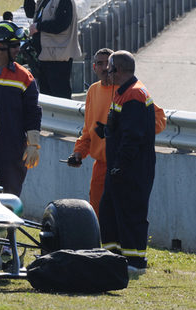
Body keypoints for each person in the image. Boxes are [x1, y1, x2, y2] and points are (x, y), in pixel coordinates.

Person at [67, 48, 166, 217]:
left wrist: (124, 134)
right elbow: (88, 130)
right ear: (94, 68)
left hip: (124, 165)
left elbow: (159, 120)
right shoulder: (93, 90)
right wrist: (78, 153)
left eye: (109, 64)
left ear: (116, 68)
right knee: (98, 215)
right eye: (100, 63)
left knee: (124, 216)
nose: (105, 68)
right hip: (101, 166)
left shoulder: (130, 91)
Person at [98, 50, 156, 276]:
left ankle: (135, 263)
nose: (106, 73)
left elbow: (133, 136)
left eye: (109, 68)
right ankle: (113, 258)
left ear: (118, 70)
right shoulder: (122, 92)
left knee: (131, 213)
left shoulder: (134, 95)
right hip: (119, 168)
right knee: (110, 211)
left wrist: (121, 164)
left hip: (132, 169)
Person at [0, 21, 42, 196]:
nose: (18, 49)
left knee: (10, 195)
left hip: (12, 147)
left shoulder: (25, 77)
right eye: (14, 45)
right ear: (0, 46)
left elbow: (33, 111)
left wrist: (33, 142)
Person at [23, 0, 82, 99]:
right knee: (47, 97)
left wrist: (38, 27)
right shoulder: (45, 1)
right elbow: (30, 13)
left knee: (60, 96)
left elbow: (61, 24)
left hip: (58, 58)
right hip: (45, 56)